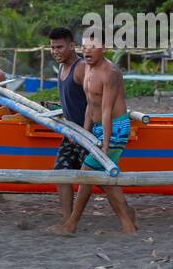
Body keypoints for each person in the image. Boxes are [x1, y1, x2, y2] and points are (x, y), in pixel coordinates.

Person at [53, 38, 137, 235]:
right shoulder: (88, 69)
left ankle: (71, 224)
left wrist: (105, 145)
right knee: (101, 177)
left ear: (103, 48)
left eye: (93, 47)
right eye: (85, 47)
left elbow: (107, 110)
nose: (87, 51)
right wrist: (84, 133)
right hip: (98, 127)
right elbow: (90, 106)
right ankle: (127, 223)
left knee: (87, 174)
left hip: (116, 128)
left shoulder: (110, 73)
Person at [48, 27, 92, 225]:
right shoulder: (61, 68)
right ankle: (68, 221)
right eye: (52, 47)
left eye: (59, 47)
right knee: (61, 173)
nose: (55, 51)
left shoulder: (80, 68)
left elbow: (93, 102)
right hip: (71, 133)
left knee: (102, 181)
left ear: (72, 46)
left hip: (87, 134)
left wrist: (85, 132)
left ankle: (126, 214)